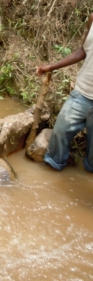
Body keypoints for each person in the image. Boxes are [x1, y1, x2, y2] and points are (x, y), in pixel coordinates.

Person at [37, 13, 93, 172]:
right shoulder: (92, 19)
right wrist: (51, 67)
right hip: (82, 93)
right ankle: (53, 171)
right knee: (60, 132)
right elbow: (83, 50)